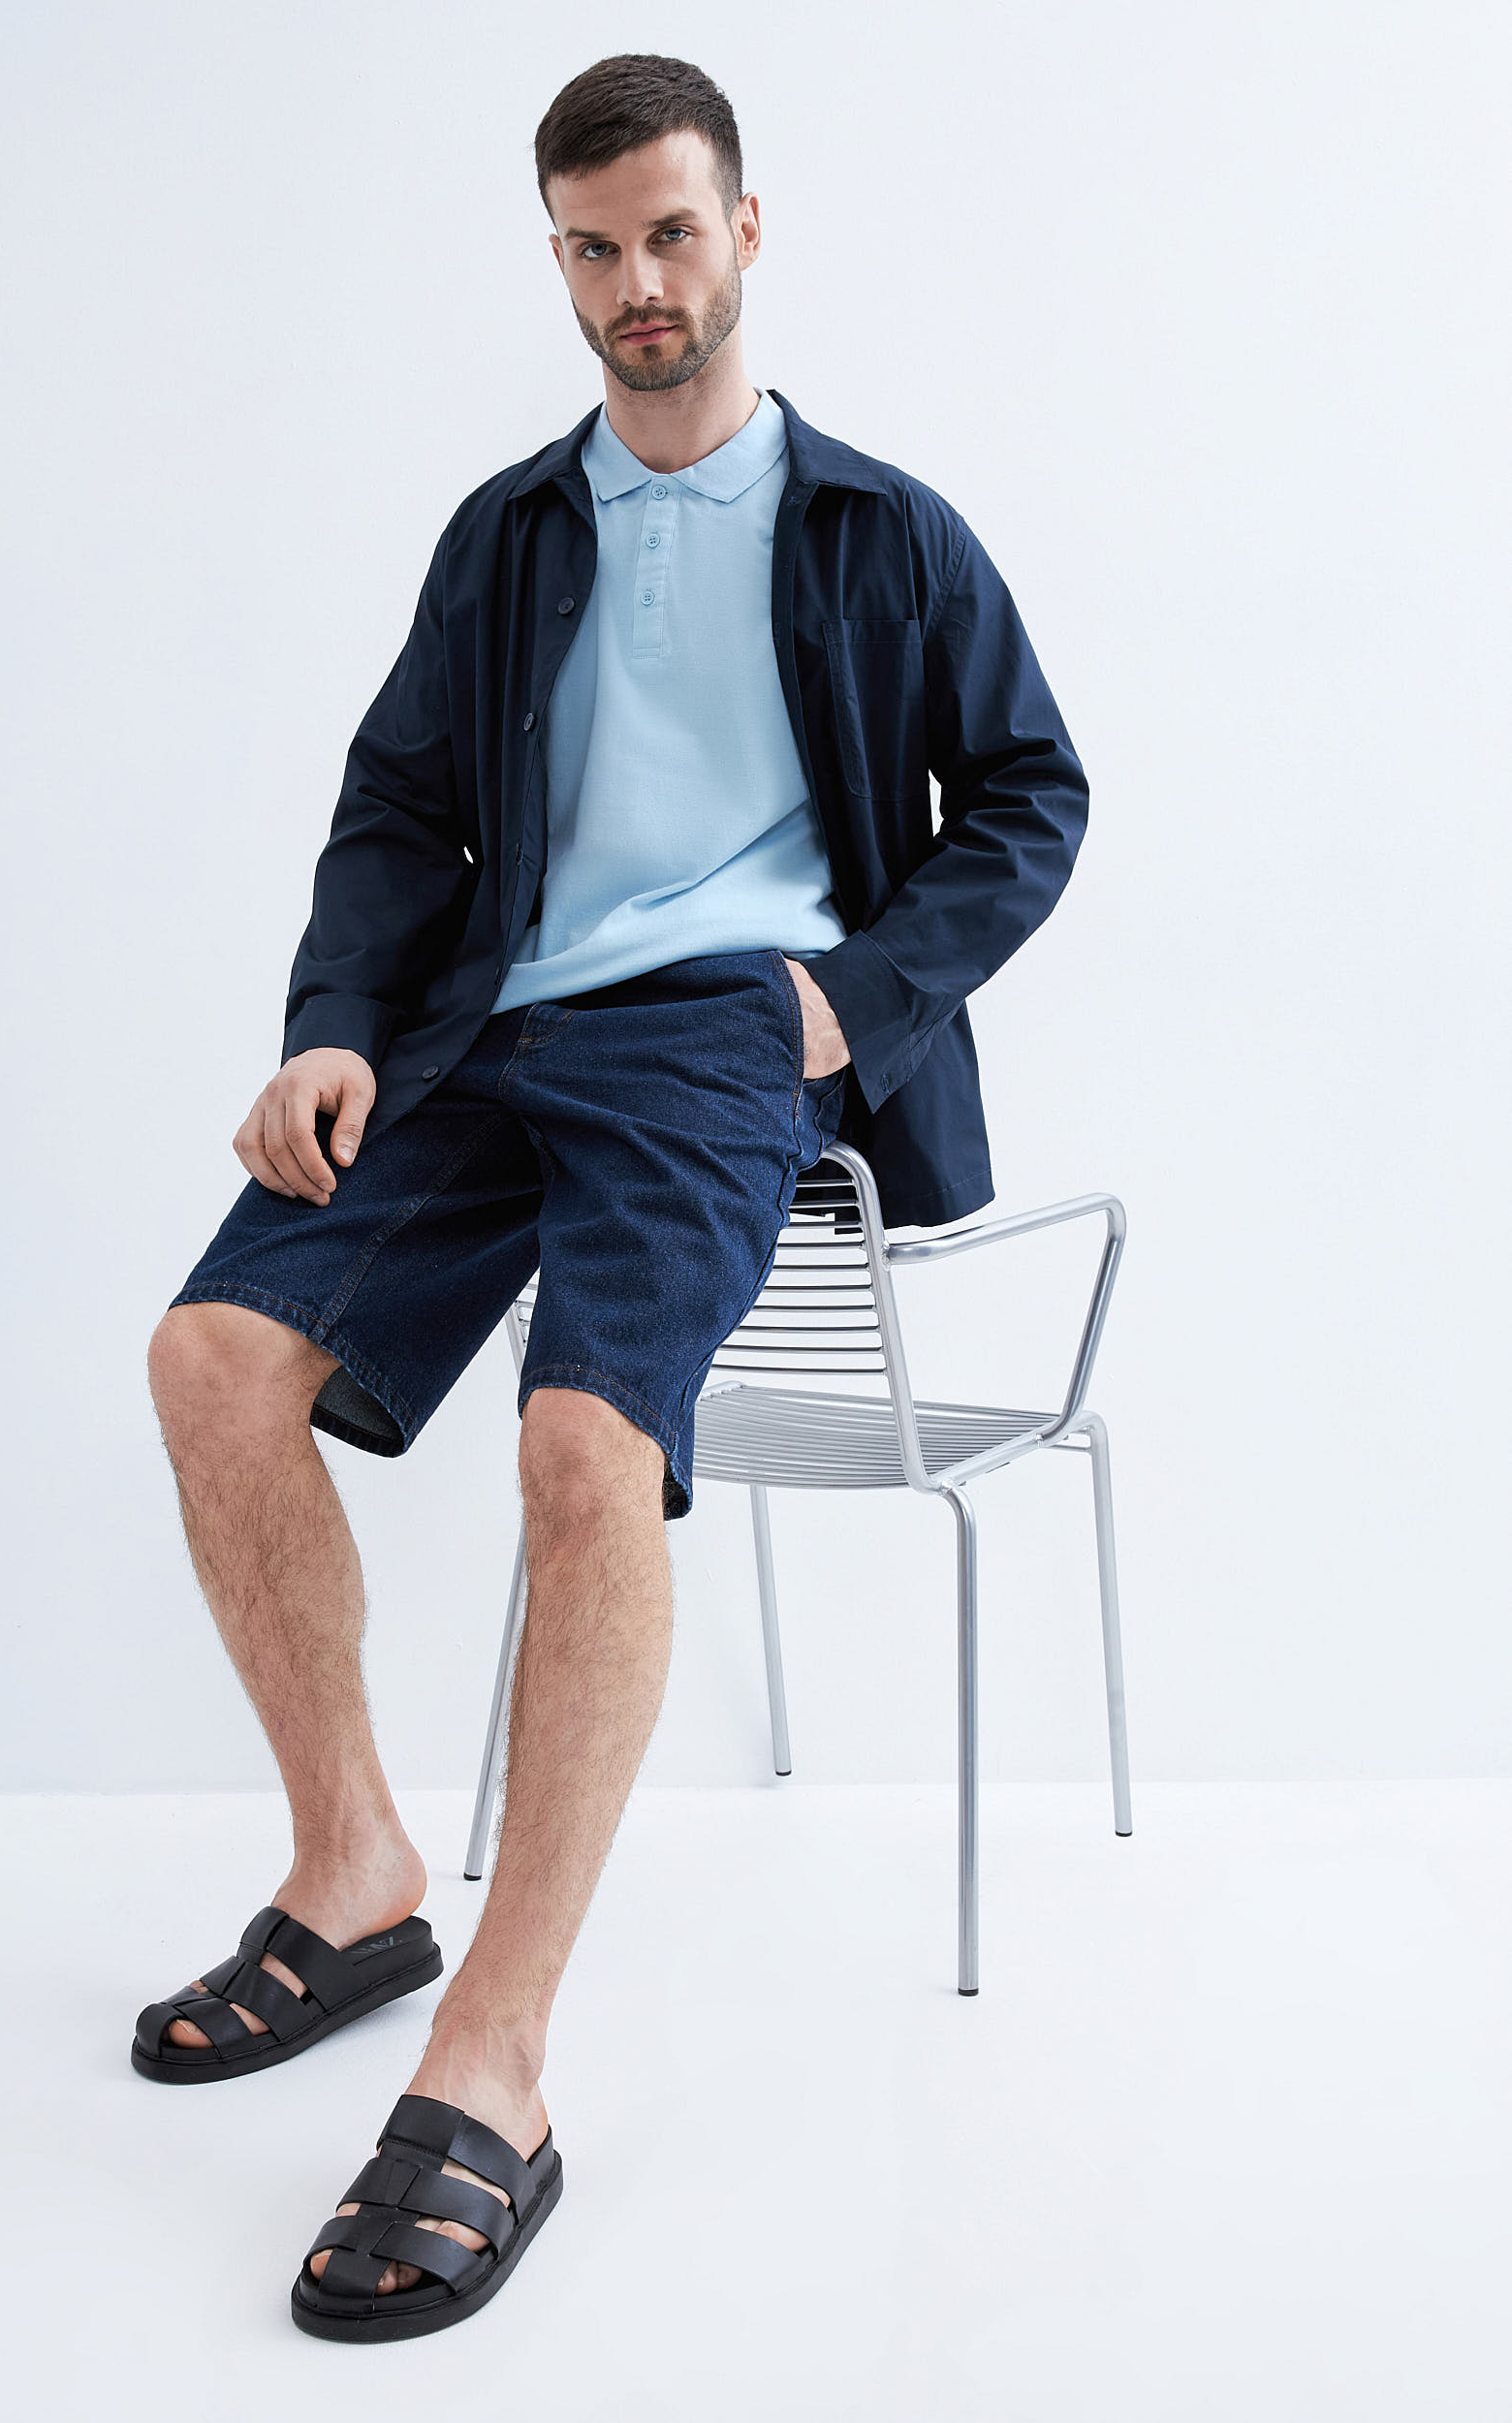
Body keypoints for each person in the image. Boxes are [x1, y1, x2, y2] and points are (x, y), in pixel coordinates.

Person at [136, 52, 1088, 2343]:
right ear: (554, 259)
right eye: (591, 246)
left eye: (669, 232)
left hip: (722, 1035)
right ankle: (356, 1869)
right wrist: (333, 1023)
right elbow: (400, 809)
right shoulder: (507, 532)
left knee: (583, 1448)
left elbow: (1029, 795)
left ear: (743, 231)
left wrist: (850, 1002)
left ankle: (495, 2054)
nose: (635, 281)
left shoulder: (878, 529)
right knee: (211, 1356)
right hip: (490, 1022)